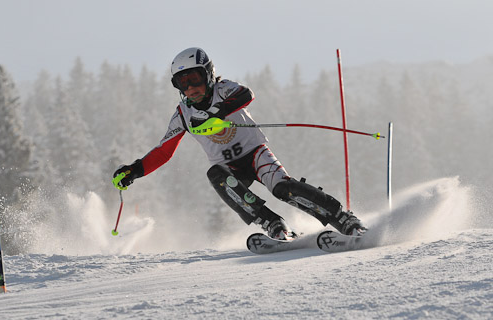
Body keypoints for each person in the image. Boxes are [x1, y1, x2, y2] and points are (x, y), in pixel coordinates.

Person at [113, 47, 366, 240]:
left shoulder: (223, 89)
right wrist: (134, 170)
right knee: (216, 174)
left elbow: (246, 95)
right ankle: (272, 223)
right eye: (183, 82)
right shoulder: (183, 114)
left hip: (256, 155)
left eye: (195, 79)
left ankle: (342, 218)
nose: (191, 88)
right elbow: (163, 151)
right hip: (229, 169)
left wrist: (218, 114)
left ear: (209, 75)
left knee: (282, 189)